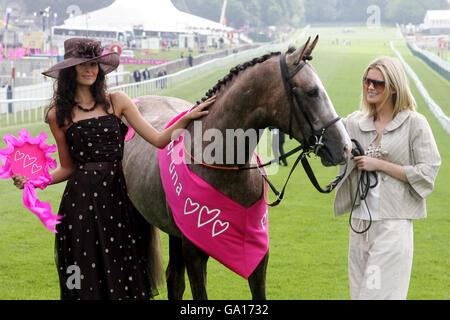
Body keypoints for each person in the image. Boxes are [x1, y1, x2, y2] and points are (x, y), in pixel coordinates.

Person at [11, 38, 215, 300]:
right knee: (83, 278)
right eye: (83, 64)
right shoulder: (57, 114)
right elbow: (67, 168)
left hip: (119, 202)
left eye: (94, 64)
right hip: (80, 206)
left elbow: (159, 140)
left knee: (126, 274)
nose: (90, 69)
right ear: (70, 71)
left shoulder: (117, 101)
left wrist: (187, 117)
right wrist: (34, 180)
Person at [334, 56, 441, 300]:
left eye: (378, 83)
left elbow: (428, 172)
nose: (370, 87)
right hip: (360, 225)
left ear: (393, 87)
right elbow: (324, 132)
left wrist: (379, 165)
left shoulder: (415, 124)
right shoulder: (354, 124)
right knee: (359, 295)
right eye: (367, 81)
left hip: (393, 226)